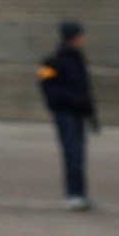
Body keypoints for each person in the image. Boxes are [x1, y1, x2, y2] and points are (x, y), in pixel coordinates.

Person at [36, 20, 96, 210]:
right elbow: (47, 86)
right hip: (65, 113)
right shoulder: (53, 61)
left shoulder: (78, 59)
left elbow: (86, 88)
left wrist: (90, 111)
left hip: (78, 114)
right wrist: (71, 101)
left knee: (79, 154)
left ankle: (80, 193)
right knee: (72, 153)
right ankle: (73, 194)